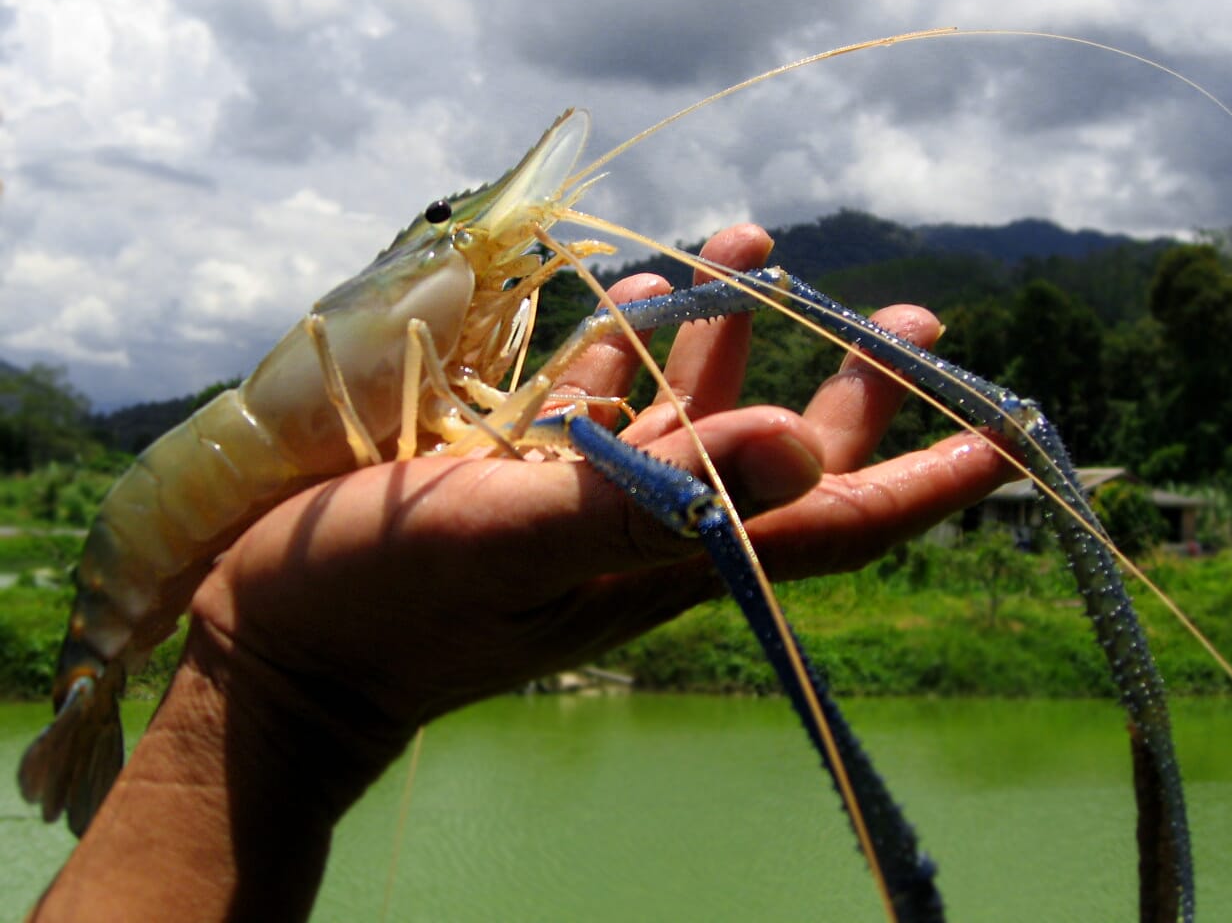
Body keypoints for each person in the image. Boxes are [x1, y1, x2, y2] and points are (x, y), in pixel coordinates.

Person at [30, 226, 1011, 920]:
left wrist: (280, 687)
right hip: (142, 561)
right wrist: (287, 684)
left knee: (739, 297)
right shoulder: (331, 368)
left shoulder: (425, 342)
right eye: (444, 230)